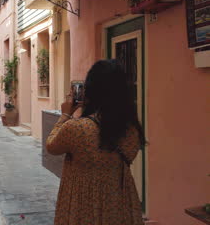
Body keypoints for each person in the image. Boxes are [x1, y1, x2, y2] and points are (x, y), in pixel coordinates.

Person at [47, 59, 145, 225]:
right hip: (118, 202)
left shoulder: (77, 128)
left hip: (83, 204)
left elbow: (52, 145)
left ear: (91, 91)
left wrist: (65, 115)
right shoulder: (132, 129)